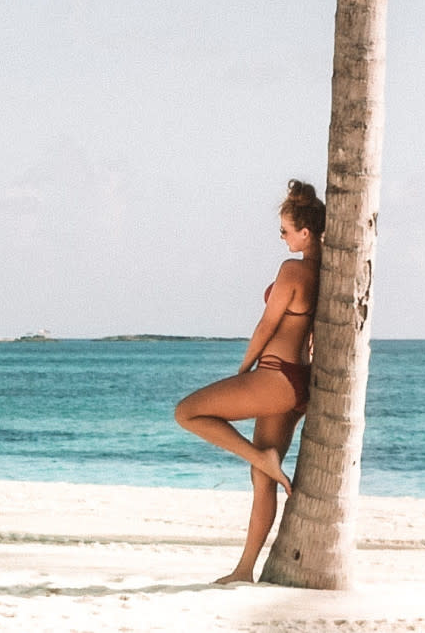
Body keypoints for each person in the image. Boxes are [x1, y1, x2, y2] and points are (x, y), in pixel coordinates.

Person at [174, 178, 325, 584]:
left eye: (285, 231)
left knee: (187, 412)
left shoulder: (291, 270)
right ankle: (244, 570)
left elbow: (265, 326)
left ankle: (261, 458)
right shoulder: (325, 272)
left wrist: (244, 371)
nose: (282, 237)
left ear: (304, 233)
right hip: (298, 385)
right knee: (262, 483)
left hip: (276, 377)